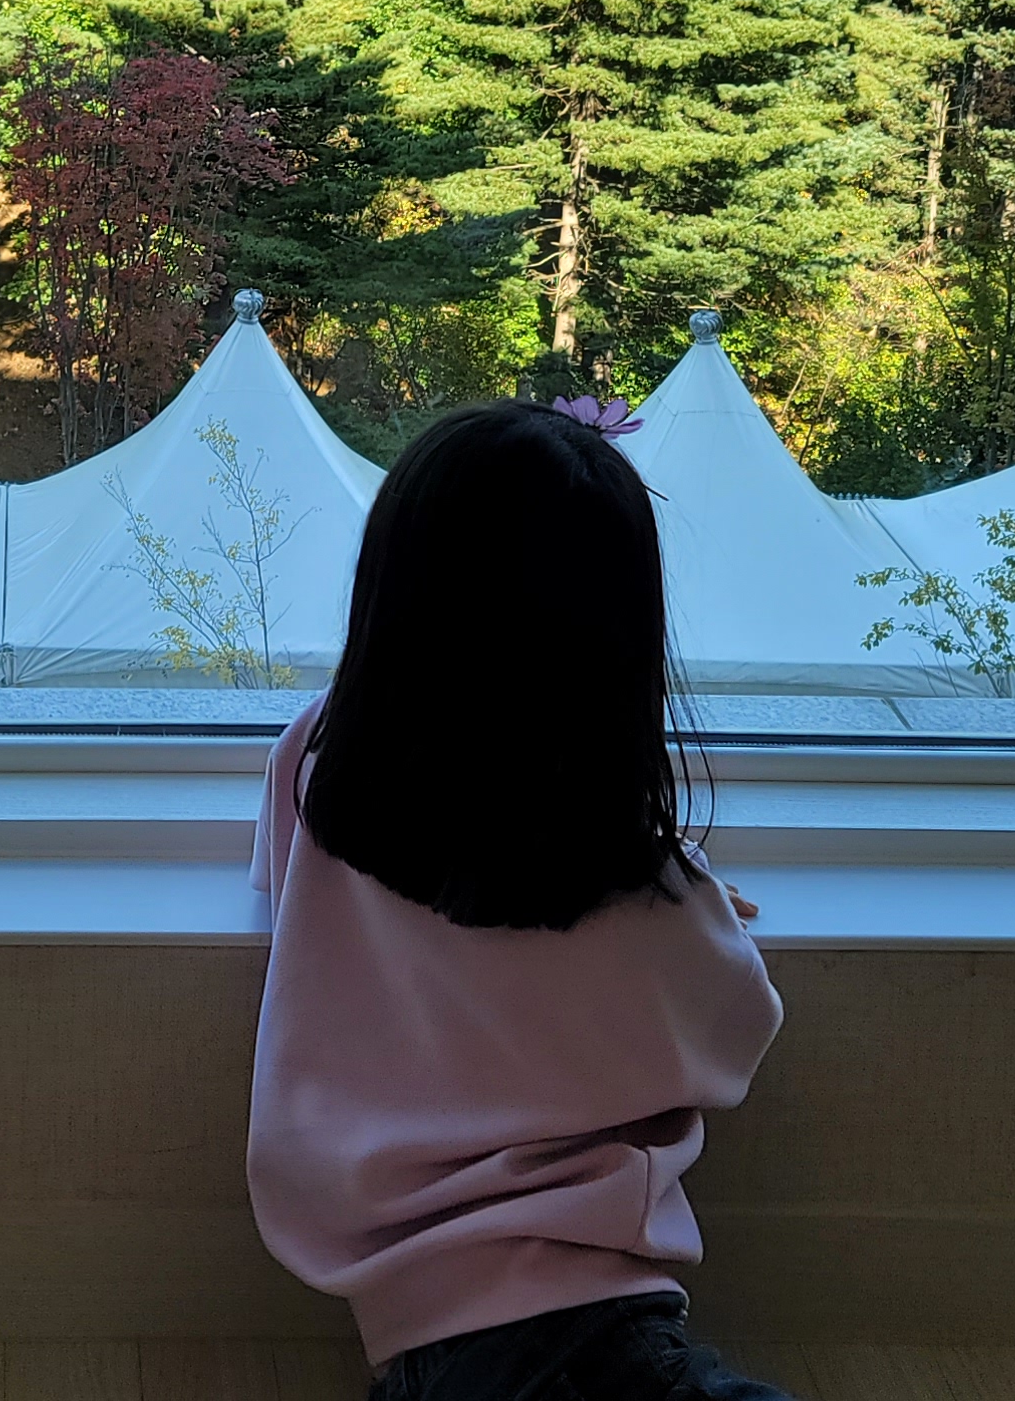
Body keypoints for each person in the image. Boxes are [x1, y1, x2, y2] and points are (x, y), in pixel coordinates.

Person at [248, 402, 790, 1401]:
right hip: (597, 1329)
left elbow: (298, 900)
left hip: (413, 1328)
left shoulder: (315, 766)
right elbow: (737, 1033)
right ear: (617, 656)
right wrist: (692, 892)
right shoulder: (629, 885)